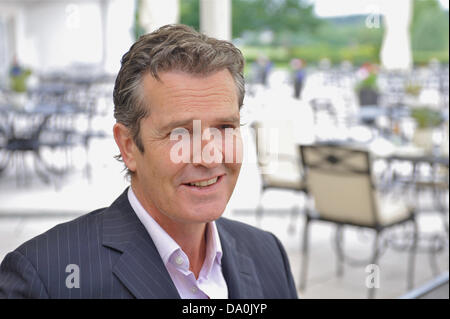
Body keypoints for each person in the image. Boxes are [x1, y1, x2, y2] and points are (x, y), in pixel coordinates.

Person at [0, 24, 298, 299]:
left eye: (224, 128)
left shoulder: (267, 254)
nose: (211, 156)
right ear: (128, 146)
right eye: (180, 133)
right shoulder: (44, 278)